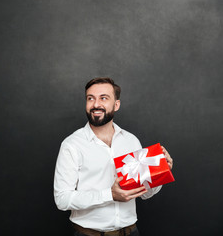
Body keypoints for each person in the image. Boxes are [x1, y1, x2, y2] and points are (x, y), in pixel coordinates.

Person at [53, 77, 173, 236]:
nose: (96, 104)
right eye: (90, 98)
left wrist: (161, 172)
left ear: (116, 105)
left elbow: (145, 193)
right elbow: (62, 199)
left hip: (130, 232)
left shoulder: (131, 140)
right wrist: (110, 195)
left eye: (103, 98)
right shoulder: (72, 145)